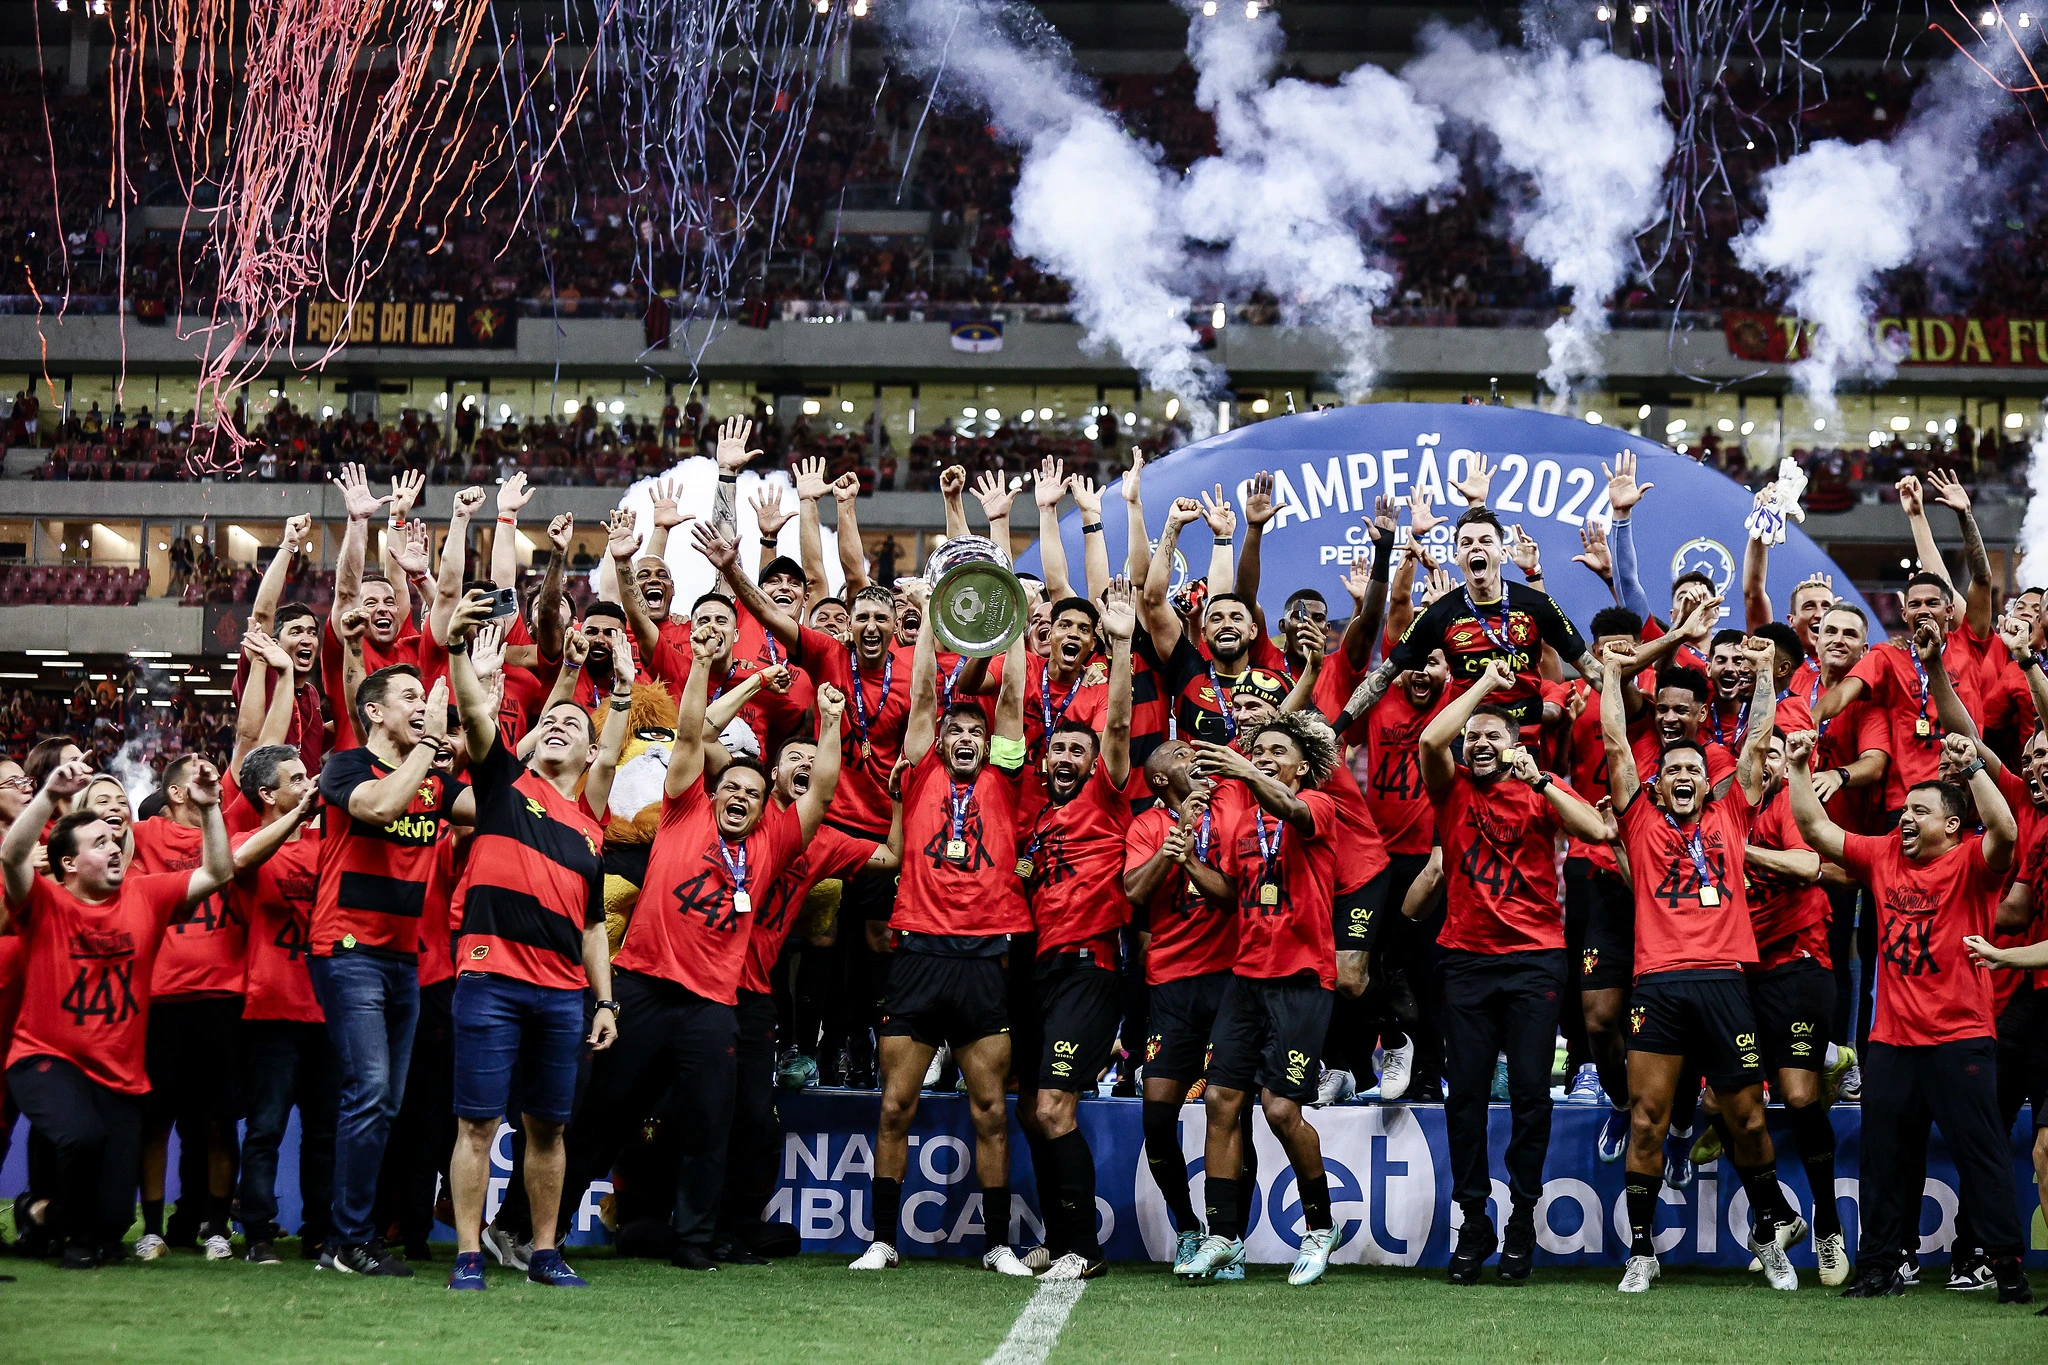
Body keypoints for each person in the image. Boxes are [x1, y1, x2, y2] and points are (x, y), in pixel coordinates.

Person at [557, 622, 838, 1271]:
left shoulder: (770, 844)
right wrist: (726, 676)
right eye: (731, 788)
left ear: (766, 806)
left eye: (753, 792)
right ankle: (529, 1224)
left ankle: (695, 1241)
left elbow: (821, 785)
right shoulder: (684, 810)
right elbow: (692, 732)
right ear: (711, 795)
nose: (740, 796)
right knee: (602, 1113)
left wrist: (827, 721)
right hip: (644, 984)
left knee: (712, 1126)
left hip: (712, 1003)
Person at [1788, 730, 2033, 1304]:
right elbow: (1815, 830)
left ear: (1951, 826)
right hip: (1892, 1041)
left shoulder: (1973, 860)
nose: (1905, 818)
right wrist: (1799, 768)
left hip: (1960, 1038)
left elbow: (2006, 831)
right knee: (1884, 1159)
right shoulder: (1882, 856)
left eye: (1919, 811)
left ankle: (2006, 1266)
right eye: (1903, 809)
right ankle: (1877, 1267)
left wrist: (1973, 768)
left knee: (1983, 1156)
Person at [1599, 634, 1805, 1293]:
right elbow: (1612, 742)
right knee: (1647, 1118)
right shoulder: (1639, 818)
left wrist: (1768, 672)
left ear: (1704, 781)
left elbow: (1757, 737)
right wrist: (1611, 675)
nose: (1683, 777)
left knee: (1745, 1115)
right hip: (1657, 983)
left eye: (1692, 769)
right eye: (1672, 772)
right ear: (1658, 784)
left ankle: (1771, 1234)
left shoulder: (1733, 811)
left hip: (1724, 981)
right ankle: (1641, 1251)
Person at [440, 589, 628, 1291]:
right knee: (478, 1126)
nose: (559, 725)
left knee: (549, 1130)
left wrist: (604, 1002)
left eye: (573, 723)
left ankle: (543, 1249)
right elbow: (471, 712)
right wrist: (459, 650)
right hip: (489, 980)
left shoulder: (588, 828)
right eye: (551, 718)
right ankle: (466, 1252)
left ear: (590, 749)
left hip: (562, 995)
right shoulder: (503, 784)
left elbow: (591, 926)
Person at [847, 590, 1031, 1275]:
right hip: (918, 948)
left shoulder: (1007, 780)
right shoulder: (921, 772)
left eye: (973, 734)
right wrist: (925, 618)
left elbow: (1010, 696)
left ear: (987, 744)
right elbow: (922, 692)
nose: (962, 738)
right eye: (955, 731)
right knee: (896, 1103)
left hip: (985, 954)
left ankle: (998, 1245)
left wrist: (1009, 617)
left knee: (989, 1109)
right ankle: (882, 1239)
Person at [1, 758, 234, 1269]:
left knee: (113, 1222)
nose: (114, 846)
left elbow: (218, 871)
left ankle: (37, 1214)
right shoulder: (45, 903)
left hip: (120, 1073)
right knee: (81, 1137)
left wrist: (212, 808)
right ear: (67, 863)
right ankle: (68, 1235)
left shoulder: (145, 896)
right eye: (99, 843)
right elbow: (13, 856)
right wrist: (48, 794)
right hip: (47, 1056)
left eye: (115, 840)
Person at [1420, 659, 1607, 1284]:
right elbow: (1427, 740)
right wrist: (1482, 690)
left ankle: (1522, 1219)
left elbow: (1598, 829)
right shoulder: (1450, 787)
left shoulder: (1536, 787)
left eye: (1491, 736)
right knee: (1466, 1098)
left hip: (1533, 959)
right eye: (1471, 736)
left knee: (1530, 1095)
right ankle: (1474, 1222)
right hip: (1467, 960)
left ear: (1516, 745)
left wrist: (1545, 779)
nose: (1477, 743)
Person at [311, 665, 472, 1277]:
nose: (422, 705)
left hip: (403, 960)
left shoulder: (433, 781)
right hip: (348, 952)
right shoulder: (346, 765)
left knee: (385, 1102)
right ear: (375, 712)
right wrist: (432, 745)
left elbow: (489, 804)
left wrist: (479, 721)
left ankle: (345, 1240)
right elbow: (378, 808)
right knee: (371, 1092)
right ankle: (350, 1238)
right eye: (409, 696)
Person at [1177, 712, 1347, 1288]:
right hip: (1246, 978)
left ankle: (1320, 1228)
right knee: (1220, 1099)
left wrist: (1247, 770)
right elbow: (1232, 895)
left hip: (1302, 980)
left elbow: (1293, 811)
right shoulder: (1244, 822)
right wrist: (1191, 863)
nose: (1268, 757)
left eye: (1278, 752)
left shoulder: (1319, 806)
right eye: (1260, 751)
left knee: (1279, 1109)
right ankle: (1223, 1236)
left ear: (1302, 766)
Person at [1013, 579, 1137, 1281]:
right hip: (1041, 968)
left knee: (1057, 1104)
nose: (1063, 758)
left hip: (1090, 968)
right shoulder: (1038, 816)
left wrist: (1118, 646)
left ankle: (1084, 1248)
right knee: (1035, 1110)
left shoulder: (1106, 796)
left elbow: (1114, 726)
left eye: (1075, 751)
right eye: (1055, 750)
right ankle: (1058, 1239)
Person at [227, 745, 330, 1265]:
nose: (308, 783)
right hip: (272, 1008)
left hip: (328, 1006)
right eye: (296, 779)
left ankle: (318, 1232)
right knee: (266, 1127)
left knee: (324, 1131)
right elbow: (240, 862)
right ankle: (259, 1233)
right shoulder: (246, 841)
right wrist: (299, 815)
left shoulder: (326, 845)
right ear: (268, 795)